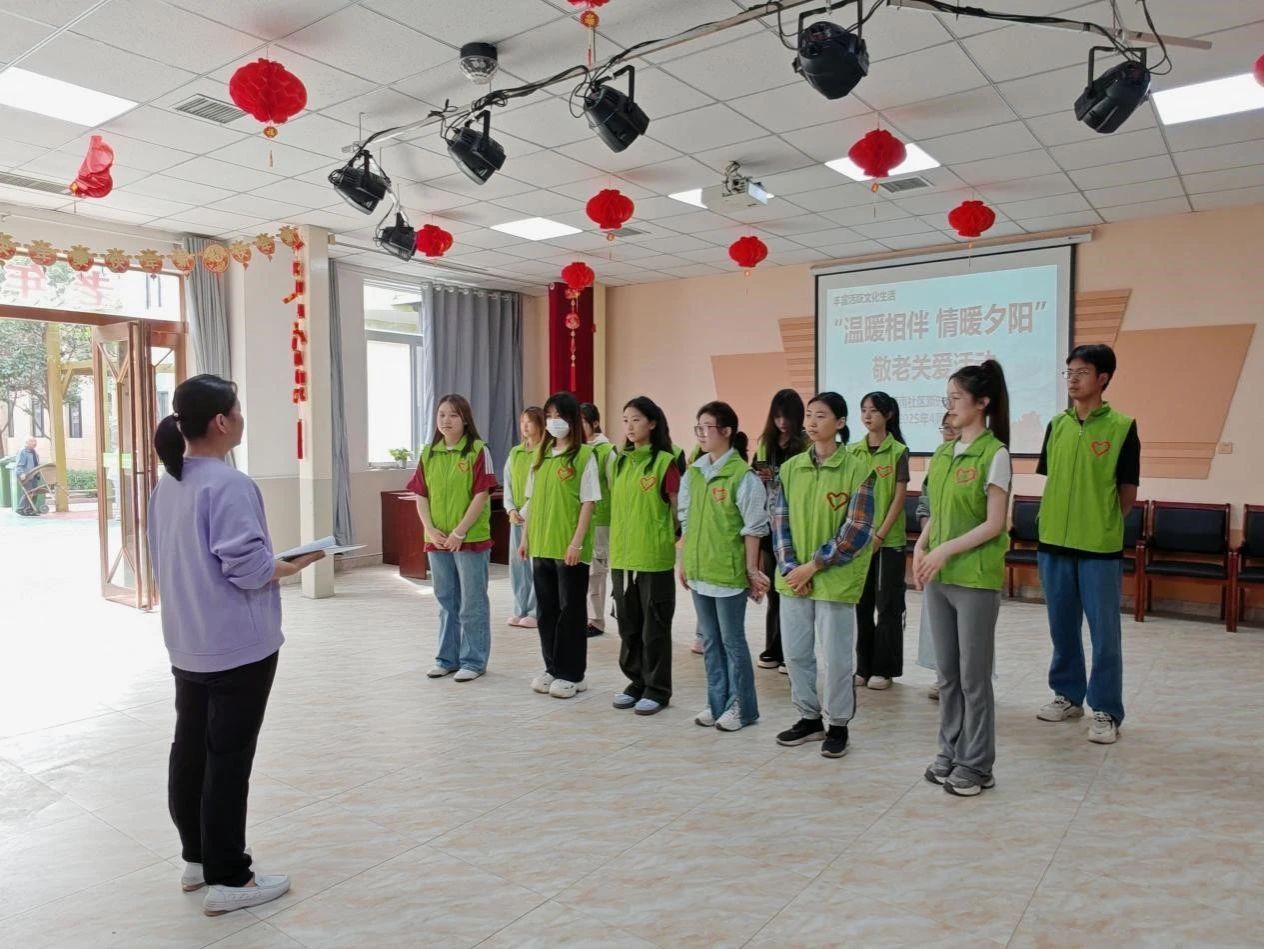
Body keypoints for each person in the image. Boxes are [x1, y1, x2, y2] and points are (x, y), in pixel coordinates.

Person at [148, 374, 323, 916]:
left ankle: (197, 858)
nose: (242, 418)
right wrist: (297, 563)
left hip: (188, 639)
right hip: (236, 647)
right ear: (222, 421)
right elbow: (248, 571)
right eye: (238, 409)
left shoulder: (169, 483)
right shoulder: (229, 484)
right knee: (228, 759)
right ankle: (230, 877)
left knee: (191, 749)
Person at [914, 360, 1012, 798]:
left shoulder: (996, 454)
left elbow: (994, 523)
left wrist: (944, 550)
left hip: (974, 579)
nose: (950, 406)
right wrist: (922, 546)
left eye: (957, 398)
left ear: (982, 402)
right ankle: (949, 751)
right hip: (939, 576)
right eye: (948, 398)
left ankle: (977, 764)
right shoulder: (943, 453)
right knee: (948, 674)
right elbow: (937, 512)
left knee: (974, 677)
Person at [1035, 344, 1140, 745]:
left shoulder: (1122, 427)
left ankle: (1106, 709)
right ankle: (1067, 695)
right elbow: (1053, 479)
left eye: (1082, 372)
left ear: (1103, 378)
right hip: (1053, 543)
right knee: (1062, 628)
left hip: (1098, 547)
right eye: (1069, 372)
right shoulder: (1056, 425)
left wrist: (1102, 521)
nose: (1073, 379)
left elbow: (1127, 492)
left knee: (1104, 634)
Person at [773, 393, 877, 759]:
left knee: (836, 659)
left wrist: (813, 565)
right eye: (809, 415)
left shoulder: (858, 470)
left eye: (821, 415)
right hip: (794, 580)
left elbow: (858, 529)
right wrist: (792, 569)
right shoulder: (790, 468)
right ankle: (808, 717)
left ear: (840, 422)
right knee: (796, 654)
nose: (812, 422)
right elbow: (779, 522)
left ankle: (838, 725)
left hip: (835, 579)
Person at [678, 401, 769, 732]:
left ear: (727, 431)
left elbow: (753, 528)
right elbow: (686, 520)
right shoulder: (694, 473)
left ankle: (742, 707)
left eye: (708, 427)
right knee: (711, 641)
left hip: (728, 573)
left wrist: (751, 570)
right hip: (700, 569)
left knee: (733, 642)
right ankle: (716, 703)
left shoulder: (743, 477)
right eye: (698, 427)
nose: (701, 433)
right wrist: (684, 561)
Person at [408, 394, 497, 682]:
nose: (446, 420)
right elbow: (421, 494)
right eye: (441, 415)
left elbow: (482, 494)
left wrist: (460, 531)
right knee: (446, 600)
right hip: (437, 539)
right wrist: (430, 528)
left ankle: (473, 661)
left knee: (472, 602)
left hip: (469, 538)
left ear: (465, 419)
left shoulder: (478, 450)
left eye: (453, 415)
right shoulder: (429, 453)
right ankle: (446, 659)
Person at [519, 392, 599, 699]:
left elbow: (588, 502)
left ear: (573, 420)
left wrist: (576, 543)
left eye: (560, 416)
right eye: (549, 416)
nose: (554, 422)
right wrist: (525, 538)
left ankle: (573, 674)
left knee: (571, 611)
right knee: (547, 610)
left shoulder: (584, 456)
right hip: (541, 544)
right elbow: (531, 500)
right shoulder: (541, 456)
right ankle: (552, 667)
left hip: (569, 548)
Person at [609, 397, 683, 716]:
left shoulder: (666, 461)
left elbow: (678, 510)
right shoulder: (620, 461)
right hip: (623, 557)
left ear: (652, 423)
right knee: (628, 625)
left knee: (655, 627)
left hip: (653, 558)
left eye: (636, 419)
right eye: (625, 420)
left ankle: (657, 688)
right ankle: (636, 682)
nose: (629, 426)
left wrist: (668, 537)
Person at [851, 392, 910, 691]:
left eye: (873, 411)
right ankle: (863, 666)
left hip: (889, 541)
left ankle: (884, 669)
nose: (867, 416)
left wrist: (880, 535)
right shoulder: (852, 451)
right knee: (861, 605)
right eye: (863, 410)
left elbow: (899, 498)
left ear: (888, 415)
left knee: (888, 606)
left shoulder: (898, 450)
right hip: (858, 541)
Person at [752, 389, 807, 676]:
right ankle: (773, 647)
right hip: (768, 525)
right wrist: (759, 477)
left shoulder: (806, 445)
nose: (782, 422)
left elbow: (808, 484)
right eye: (777, 416)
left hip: (796, 526)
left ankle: (791, 652)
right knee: (773, 589)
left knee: (793, 590)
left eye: (787, 417)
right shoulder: (765, 444)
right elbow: (751, 481)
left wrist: (779, 477)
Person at [916, 413, 958, 701]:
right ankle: (942, 674)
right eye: (945, 427)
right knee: (937, 621)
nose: (949, 432)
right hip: (934, 550)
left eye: (954, 427)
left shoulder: (987, 457)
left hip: (965, 553)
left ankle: (964, 678)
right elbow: (925, 507)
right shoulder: (938, 462)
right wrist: (926, 542)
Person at [504, 406, 544, 629]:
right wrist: (511, 509)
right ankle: (520, 608)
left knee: (535, 564)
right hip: (515, 517)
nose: (525, 426)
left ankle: (536, 611)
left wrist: (526, 511)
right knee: (517, 565)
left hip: (535, 516)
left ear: (540, 424)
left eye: (529, 422)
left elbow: (540, 487)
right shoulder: (515, 453)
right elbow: (507, 483)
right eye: (522, 422)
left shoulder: (545, 452)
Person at [580, 402, 615, 638]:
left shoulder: (606, 451)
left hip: (601, 520)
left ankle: (596, 620)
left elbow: (615, 488)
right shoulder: (576, 449)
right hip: (579, 520)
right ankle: (583, 616)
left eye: (581, 422)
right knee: (582, 570)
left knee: (596, 571)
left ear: (594, 423)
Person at [14, 437, 44, 516]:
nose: (35, 443)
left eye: (35, 441)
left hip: (34, 475)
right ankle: (20, 509)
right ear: (26, 442)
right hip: (27, 475)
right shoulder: (23, 451)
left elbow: (36, 463)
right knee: (28, 492)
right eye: (32, 441)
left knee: (34, 492)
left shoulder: (34, 451)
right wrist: (21, 473)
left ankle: (29, 510)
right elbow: (19, 465)